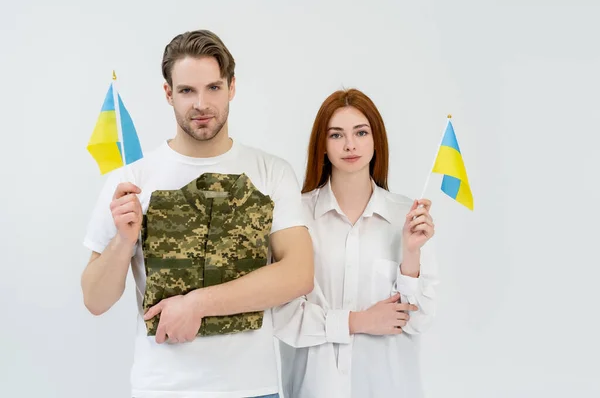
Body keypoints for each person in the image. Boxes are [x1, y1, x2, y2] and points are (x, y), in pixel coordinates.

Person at [80, 29, 314, 398]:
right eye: (187, 90)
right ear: (168, 93)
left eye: (213, 88)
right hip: (162, 388)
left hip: (252, 388)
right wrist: (123, 243)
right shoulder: (131, 181)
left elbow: (299, 274)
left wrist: (196, 305)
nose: (201, 103)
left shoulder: (271, 171)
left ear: (232, 87)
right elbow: (95, 299)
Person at [273, 88, 440, 398]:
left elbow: (419, 321)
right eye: (336, 135)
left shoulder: (407, 215)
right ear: (322, 145)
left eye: (361, 132)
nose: (350, 145)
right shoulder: (295, 215)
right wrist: (359, 321)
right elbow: (285, 317)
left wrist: (411, 254)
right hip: (315, 389)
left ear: (375, 139)